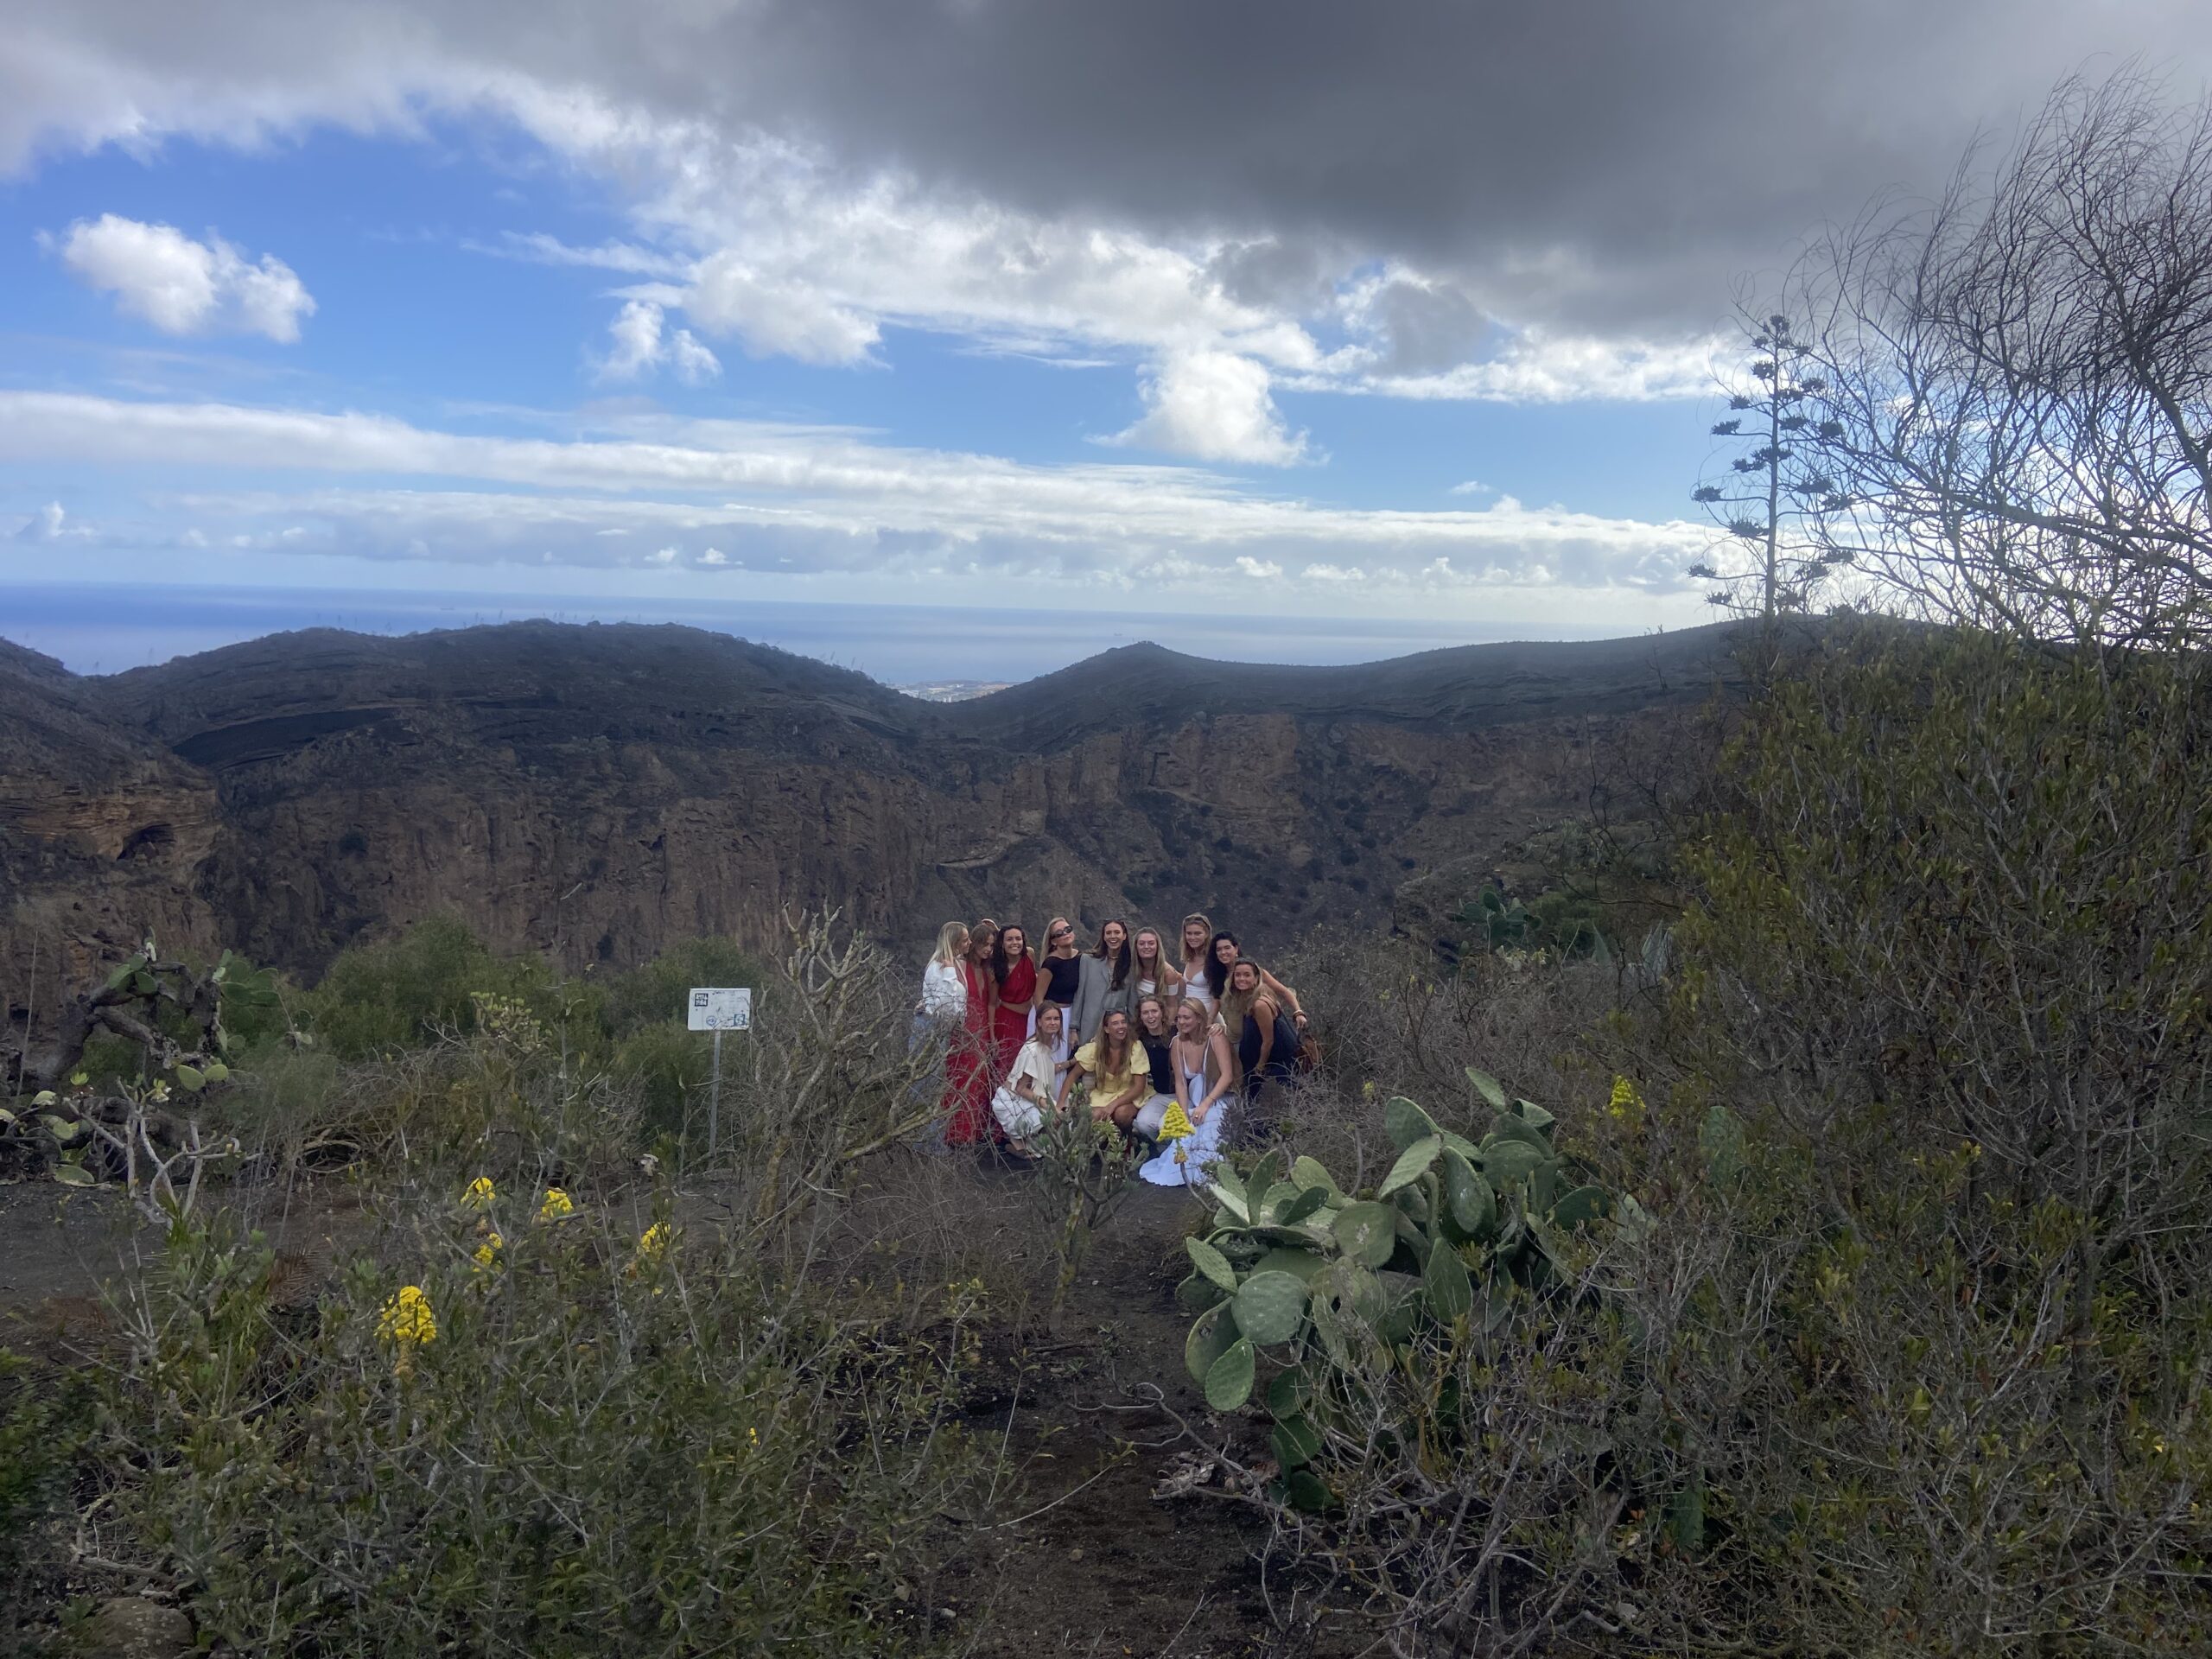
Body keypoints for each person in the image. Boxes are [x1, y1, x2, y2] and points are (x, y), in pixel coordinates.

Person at [1138, 997, 1235, 1186]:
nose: (1181, 1022)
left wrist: (1206, 1104)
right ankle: (1184, 1167)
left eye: (1187, 1018)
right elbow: (1180, 1082)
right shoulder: (1177, 1043)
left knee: (1209, 1124)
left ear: (1199, 1018)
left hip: (1219, 1097)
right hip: (1194, 1098)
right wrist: (1183, 1112)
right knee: (1185, 1126)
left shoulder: (1215, 1037)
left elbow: (1227, 1075)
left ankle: (1211, 1170)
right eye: (1179, 1018)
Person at [943, 921, 1000, 1147]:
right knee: (960, 1078)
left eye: (992, 945)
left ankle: (972, 1134)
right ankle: (955, 1134)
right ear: (973, 943)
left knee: (979, 1081)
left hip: (982, 1030)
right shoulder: (958, 965)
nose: (988, 949)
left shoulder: (987, 970)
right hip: (963, 1030)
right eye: (984, 944)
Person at [1218, 957, 1300, 1103]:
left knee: (1269, 1107)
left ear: (1256, 979)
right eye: (1238, 975)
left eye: (1247, 975)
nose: (1241, 979)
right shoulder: (1248, 999)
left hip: (1275, 1066)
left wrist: (1260, 1066)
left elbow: (1268, 1040)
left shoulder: (1259, 1004)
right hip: (1263, 1065)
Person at [1060, 1007, 1151, 1132]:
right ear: (1106, 1029)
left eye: (1123, 1022)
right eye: (1115, 1023)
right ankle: (1100, 1147)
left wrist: (1112, 1106)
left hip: (1129, 1095)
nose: (1121, 1026)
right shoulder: (1095, 1049)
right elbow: (1072, 1076)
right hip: (1103, 1094)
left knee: (1121, 1114)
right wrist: (1060, 1104)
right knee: (1094, 1115)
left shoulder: (1135, 1047)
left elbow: (1138, 1088)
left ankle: (1127, 1144)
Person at [992, 1001, 1065, 1155]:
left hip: (1027, 1099)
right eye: (1048, 1019)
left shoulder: (1046, 1045)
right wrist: (1049, 1106)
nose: (1053, 1023)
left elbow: (1047, 1068)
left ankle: (1024, 1145)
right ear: (1039, 1022)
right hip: (1013, 1103)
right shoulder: (1032, 1049)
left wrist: (1072, 1063)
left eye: (1056, 1019)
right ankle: (1017, 1140)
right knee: (1055, 1118)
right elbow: (1020, 1088)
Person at [1202, 931, 1306, 1034]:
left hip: (1263, 1033)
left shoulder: (1254, 971)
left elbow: (1284, 992)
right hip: (1236, 1036)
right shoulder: (1218, 976)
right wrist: (1208, 1025)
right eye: (1219, 949)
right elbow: (1216, 1004)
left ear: (1236, 949)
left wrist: (1298, 1013)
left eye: (1227, 948)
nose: (1223, 952)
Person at [1070, 918, 1134, 1045]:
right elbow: (1080, 995)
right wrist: (1073, 1029)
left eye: (1117, 932)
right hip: (1089, 1027)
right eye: (1108, 933)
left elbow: (1132, 1003)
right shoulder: (1087, 960)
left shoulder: (1131, 966)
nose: (1113, 936)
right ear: (1103, 937)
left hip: (1117, 1031)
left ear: (1124, 936)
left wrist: (1133, 1032)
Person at [1128, 994, 1179, 1139]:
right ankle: (1161, 1149)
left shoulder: (1176, 1033)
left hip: (1182, 1093)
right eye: (1145, 1013)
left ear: (1162, 1012)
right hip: (1159, 1094)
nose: (1151, 1016)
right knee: (1144, 1123)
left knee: (1167, 1126)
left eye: (1154, 1011)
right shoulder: (1139, 1039)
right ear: (1140, 1016)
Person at [990, 923, 1035, 1078]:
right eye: (1009, 940)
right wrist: (992, 1035)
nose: (1015, 943)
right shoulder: (997, 967)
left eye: (1018, 939)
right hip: (1006, 1022)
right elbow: (992, 1003)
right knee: (1006, 1064)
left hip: (1029, 1020)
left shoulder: (1029, 955)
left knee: (1027, 1063)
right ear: (1002, 943)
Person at [915, 921, 969, 1045]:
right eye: (965, 940)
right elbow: (945, 1005)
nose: (969, 943)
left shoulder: (955, 963)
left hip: (946, 1029)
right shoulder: (937, 967)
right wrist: (949, 971)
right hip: (932, 1028)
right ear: (954, 943)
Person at [1037, 916, 1083, 1039]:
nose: (1065, 934)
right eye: (1059, 933)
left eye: (1068, 929)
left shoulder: (1080, 958)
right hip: (1051, 1016)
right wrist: (1042, 1023)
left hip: (1071, 1016)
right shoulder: (1051, 963)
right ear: (1053, 941)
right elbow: (1038, 997)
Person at [1129, 926, 1185, 1007]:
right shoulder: (1131, 969)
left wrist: (1167, 1020)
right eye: (1141, 944)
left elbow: (1172, 1006)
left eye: (1151, 943)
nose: (1146, 947)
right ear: (1136, 946)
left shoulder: (1168, 974)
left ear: (1157, 946)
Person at [1177, 912, 1217, 1015]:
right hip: (1189, 1016)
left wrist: (1210, 1020)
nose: (1193, 937)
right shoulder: (1190, 958)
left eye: (1197, 933)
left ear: (1206, 934)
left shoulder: (1213, 959)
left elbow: (1217, 997)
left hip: (1206, 1016)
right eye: (1189, 933)